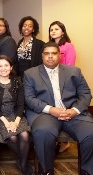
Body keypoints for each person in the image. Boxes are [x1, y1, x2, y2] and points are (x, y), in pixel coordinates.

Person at [24, 42, 93, 175]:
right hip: (46, 114)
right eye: (47, 54)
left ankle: (87, 171)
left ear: (59, 55)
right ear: (42, 56)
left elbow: (86, 93)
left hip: (73, 113)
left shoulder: (74, 71)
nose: (50, 57)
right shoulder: (30, 74)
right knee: (43, 132)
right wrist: (51, 110)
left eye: (54, 53)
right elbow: (29, 98)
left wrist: (75, 111)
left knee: (91, 133)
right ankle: (47, 170)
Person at [0, 55, 32, 175]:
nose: (3, 68)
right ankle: (24, 162)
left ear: (11, 67)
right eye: (0, 66)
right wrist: (6, 123)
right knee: (12, 137)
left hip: (16, 115)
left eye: (6, 65)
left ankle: (22, 164)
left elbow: (21, 104)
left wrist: (16, 122)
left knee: (25, 135)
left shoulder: (17, 81)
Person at [49, 21, 77, 153]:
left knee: (63, 108)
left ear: (63, 31)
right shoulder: (50, 46)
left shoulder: (68, 46)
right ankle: (55, 140)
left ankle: (64, 142)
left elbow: (70, 66)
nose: (53, 31)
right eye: (51, 29)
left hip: (64, 81)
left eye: (56, 29)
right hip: (51, 81)